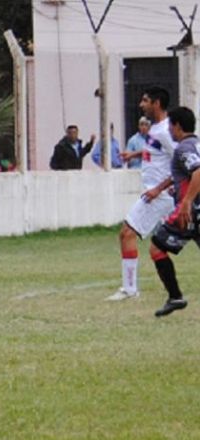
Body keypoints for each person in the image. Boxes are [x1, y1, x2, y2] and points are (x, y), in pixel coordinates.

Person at [106, 87, 176, 301]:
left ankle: (129, 289)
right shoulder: (157, 129)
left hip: (159, 196)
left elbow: (183, 161)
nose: (141, 104)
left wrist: (159, 188)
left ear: (156, 103)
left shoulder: (166, 130)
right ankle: (129, 288)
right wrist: (135, 153)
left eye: (145, 100)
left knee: (127, 233)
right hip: (159, 194)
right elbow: (158, 153)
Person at [148, 106, 200, 316]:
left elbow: (197, 171)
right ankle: (175, 297)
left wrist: (187, 201)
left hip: (190, 213)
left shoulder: (183, 148)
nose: (168, 129)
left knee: (157, 247)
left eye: (170, 125)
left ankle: (175, 296)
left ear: (177, 126)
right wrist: (172, 189)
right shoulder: (195, 143)